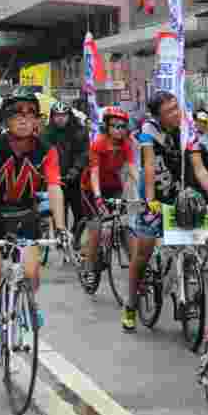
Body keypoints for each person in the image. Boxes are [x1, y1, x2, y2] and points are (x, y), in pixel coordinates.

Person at [0, 88, 70, 364]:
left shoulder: (47, 151)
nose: (25, 119)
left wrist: (61, 228)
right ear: (6, 120)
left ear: (37, 119)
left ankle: (27, 302)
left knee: (30, 273)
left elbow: (54, 188)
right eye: (17, 113)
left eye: (30, 113)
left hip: (26, 216)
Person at [122, 91, 208, 333]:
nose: (176, 113)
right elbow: (147, 166)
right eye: (169, 111)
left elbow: (200, 170)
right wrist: (151, 199)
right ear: (157, 116)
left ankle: (184, 288)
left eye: (177, 107)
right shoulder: (148, 130)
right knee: (143, 254)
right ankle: (131, 305)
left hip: (181, 197)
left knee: (199, 244)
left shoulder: (188, 129)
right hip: (154, 197)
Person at [76, 106, 138, 290]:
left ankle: (137, 266)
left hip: (113, 187)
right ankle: (88, 268)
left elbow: (133, 170)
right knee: (95, 229)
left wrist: (142, 192)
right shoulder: (99, 144)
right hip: (91, 189)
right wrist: (97, 198)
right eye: (115, 126)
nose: (119, 130)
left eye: (122, 126)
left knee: (124, 225)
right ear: (107, 126)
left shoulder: (127, 144)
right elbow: (94, 173)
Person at [42, 102, 89, 232]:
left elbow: (84, 153)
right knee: (59, 215)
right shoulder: (46, 133)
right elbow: (43, 155)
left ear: (69, 116)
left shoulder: (79, 131)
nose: (60, 118)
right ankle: (61, 240)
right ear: (52, 117)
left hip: (76, 179)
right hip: (55, 180)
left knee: (80, 215)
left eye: (63, 115)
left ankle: (76, 238)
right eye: (57, 115)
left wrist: (76, 169)